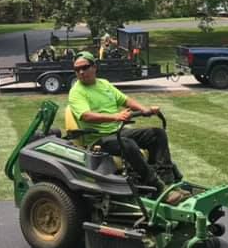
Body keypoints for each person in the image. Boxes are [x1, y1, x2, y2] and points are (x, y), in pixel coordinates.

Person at [67, 51, 190, 204]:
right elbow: (86, 115)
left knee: (156, 134)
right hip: (98, 138)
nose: (81, 72)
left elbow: (125, 100)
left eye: (84, 67)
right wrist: (116, 117)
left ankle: (169, 182)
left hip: (118, 131)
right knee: (127, 144)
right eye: (77, 69)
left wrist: (144, 109)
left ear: (94, 67)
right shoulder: (77, 91)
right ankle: (157, 188)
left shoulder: (104, 84)